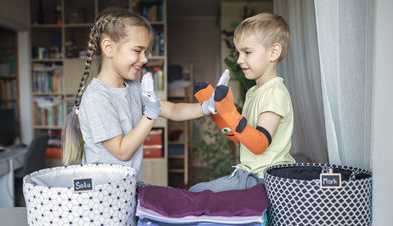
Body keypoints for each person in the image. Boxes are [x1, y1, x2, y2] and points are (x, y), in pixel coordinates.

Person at [62, 7, 216, 182]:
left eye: (146, 52)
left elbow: (172, 109)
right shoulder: (97, 98)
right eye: (137, 51)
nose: (144, 59)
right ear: (108, 48)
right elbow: (122, 151)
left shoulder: (133, 88)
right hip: (103, 193)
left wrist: (206, 106)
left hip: (127, 187)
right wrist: (149, 115)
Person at [189, 12, 295, 193]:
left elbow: (259, 143)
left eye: (247, 52)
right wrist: (216, 110)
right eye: (239, 52)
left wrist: (229, 111)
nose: (239, 60)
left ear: (273, 52)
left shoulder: (275, 93)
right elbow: (238, 136)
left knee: (197, 193)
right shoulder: (254, 92)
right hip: (251, 175)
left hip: (266, 180)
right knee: (197, 192)